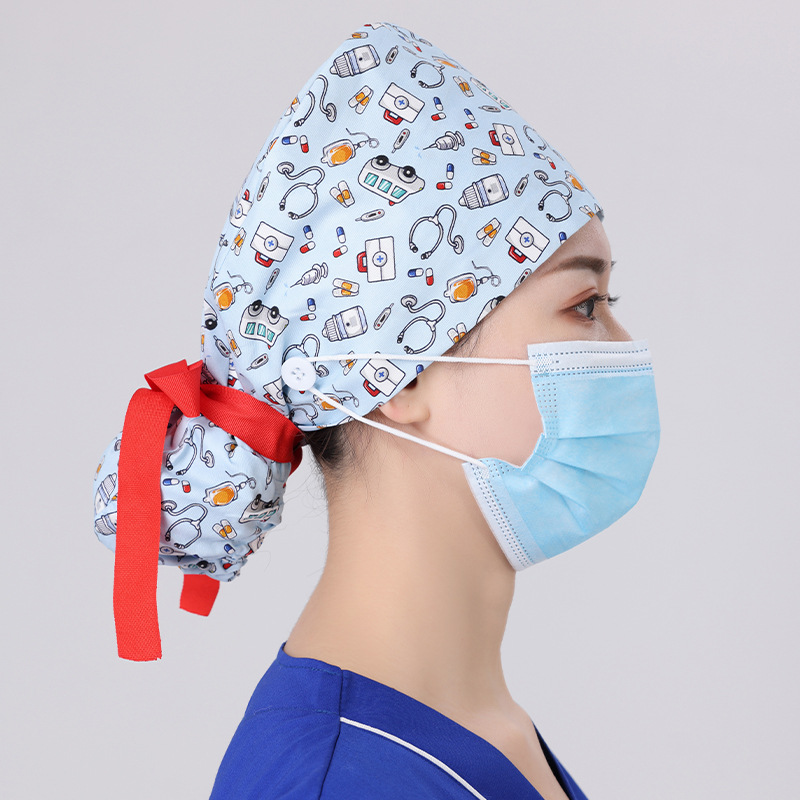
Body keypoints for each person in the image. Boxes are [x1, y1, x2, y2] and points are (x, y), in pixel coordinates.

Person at [93, 21, 660, 800]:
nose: (624, 348)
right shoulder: (338, 782)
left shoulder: (471, 727)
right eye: (585, 305)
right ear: (397, 376)